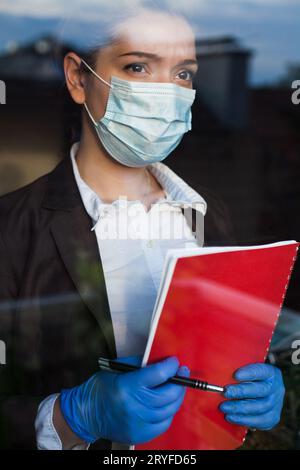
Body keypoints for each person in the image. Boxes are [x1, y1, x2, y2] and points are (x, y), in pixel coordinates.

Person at [0, 3, 285, 450]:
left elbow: (225, 343)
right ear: (78, 78)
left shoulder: (210, 214)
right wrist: (71, 416)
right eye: (138, 66)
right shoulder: (10, 229)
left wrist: (255, 386)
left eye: (184, 74)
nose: (167, 92)